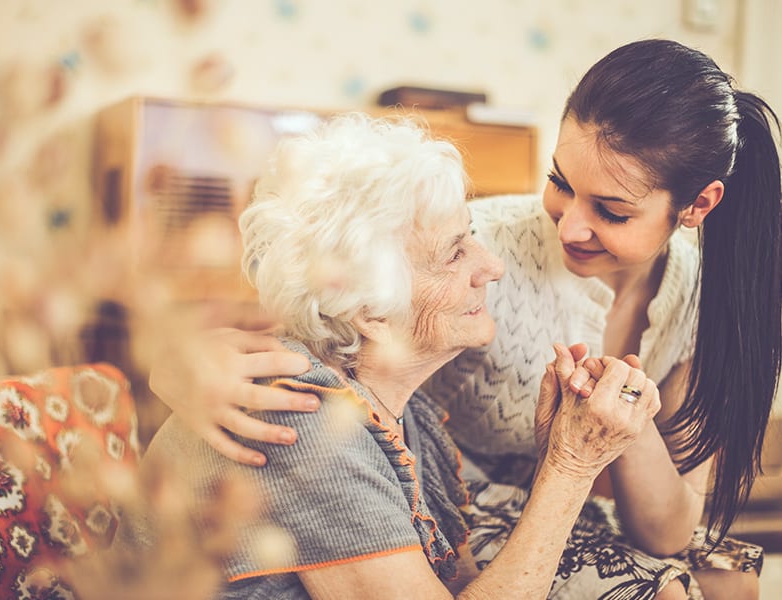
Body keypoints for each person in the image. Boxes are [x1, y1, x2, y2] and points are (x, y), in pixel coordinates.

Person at [152, 39, 780, 598]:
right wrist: (175, 366)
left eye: (612, 210)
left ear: (697, 206)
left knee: (731, 579)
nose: (567, 225)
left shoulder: (413, 415)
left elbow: (671, 526)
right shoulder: (323, 418)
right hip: (475, 501)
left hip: (460, 493)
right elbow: (312, 312)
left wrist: (618, 426)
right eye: (560, 184)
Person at [115, 112, 664, 599]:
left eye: (471, 236)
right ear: (372, 312)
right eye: (454, 252)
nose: (491, 266)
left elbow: (465, 587)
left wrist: (559, 459)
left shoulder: (407, 416)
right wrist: (571, 467)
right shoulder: (303, 421)